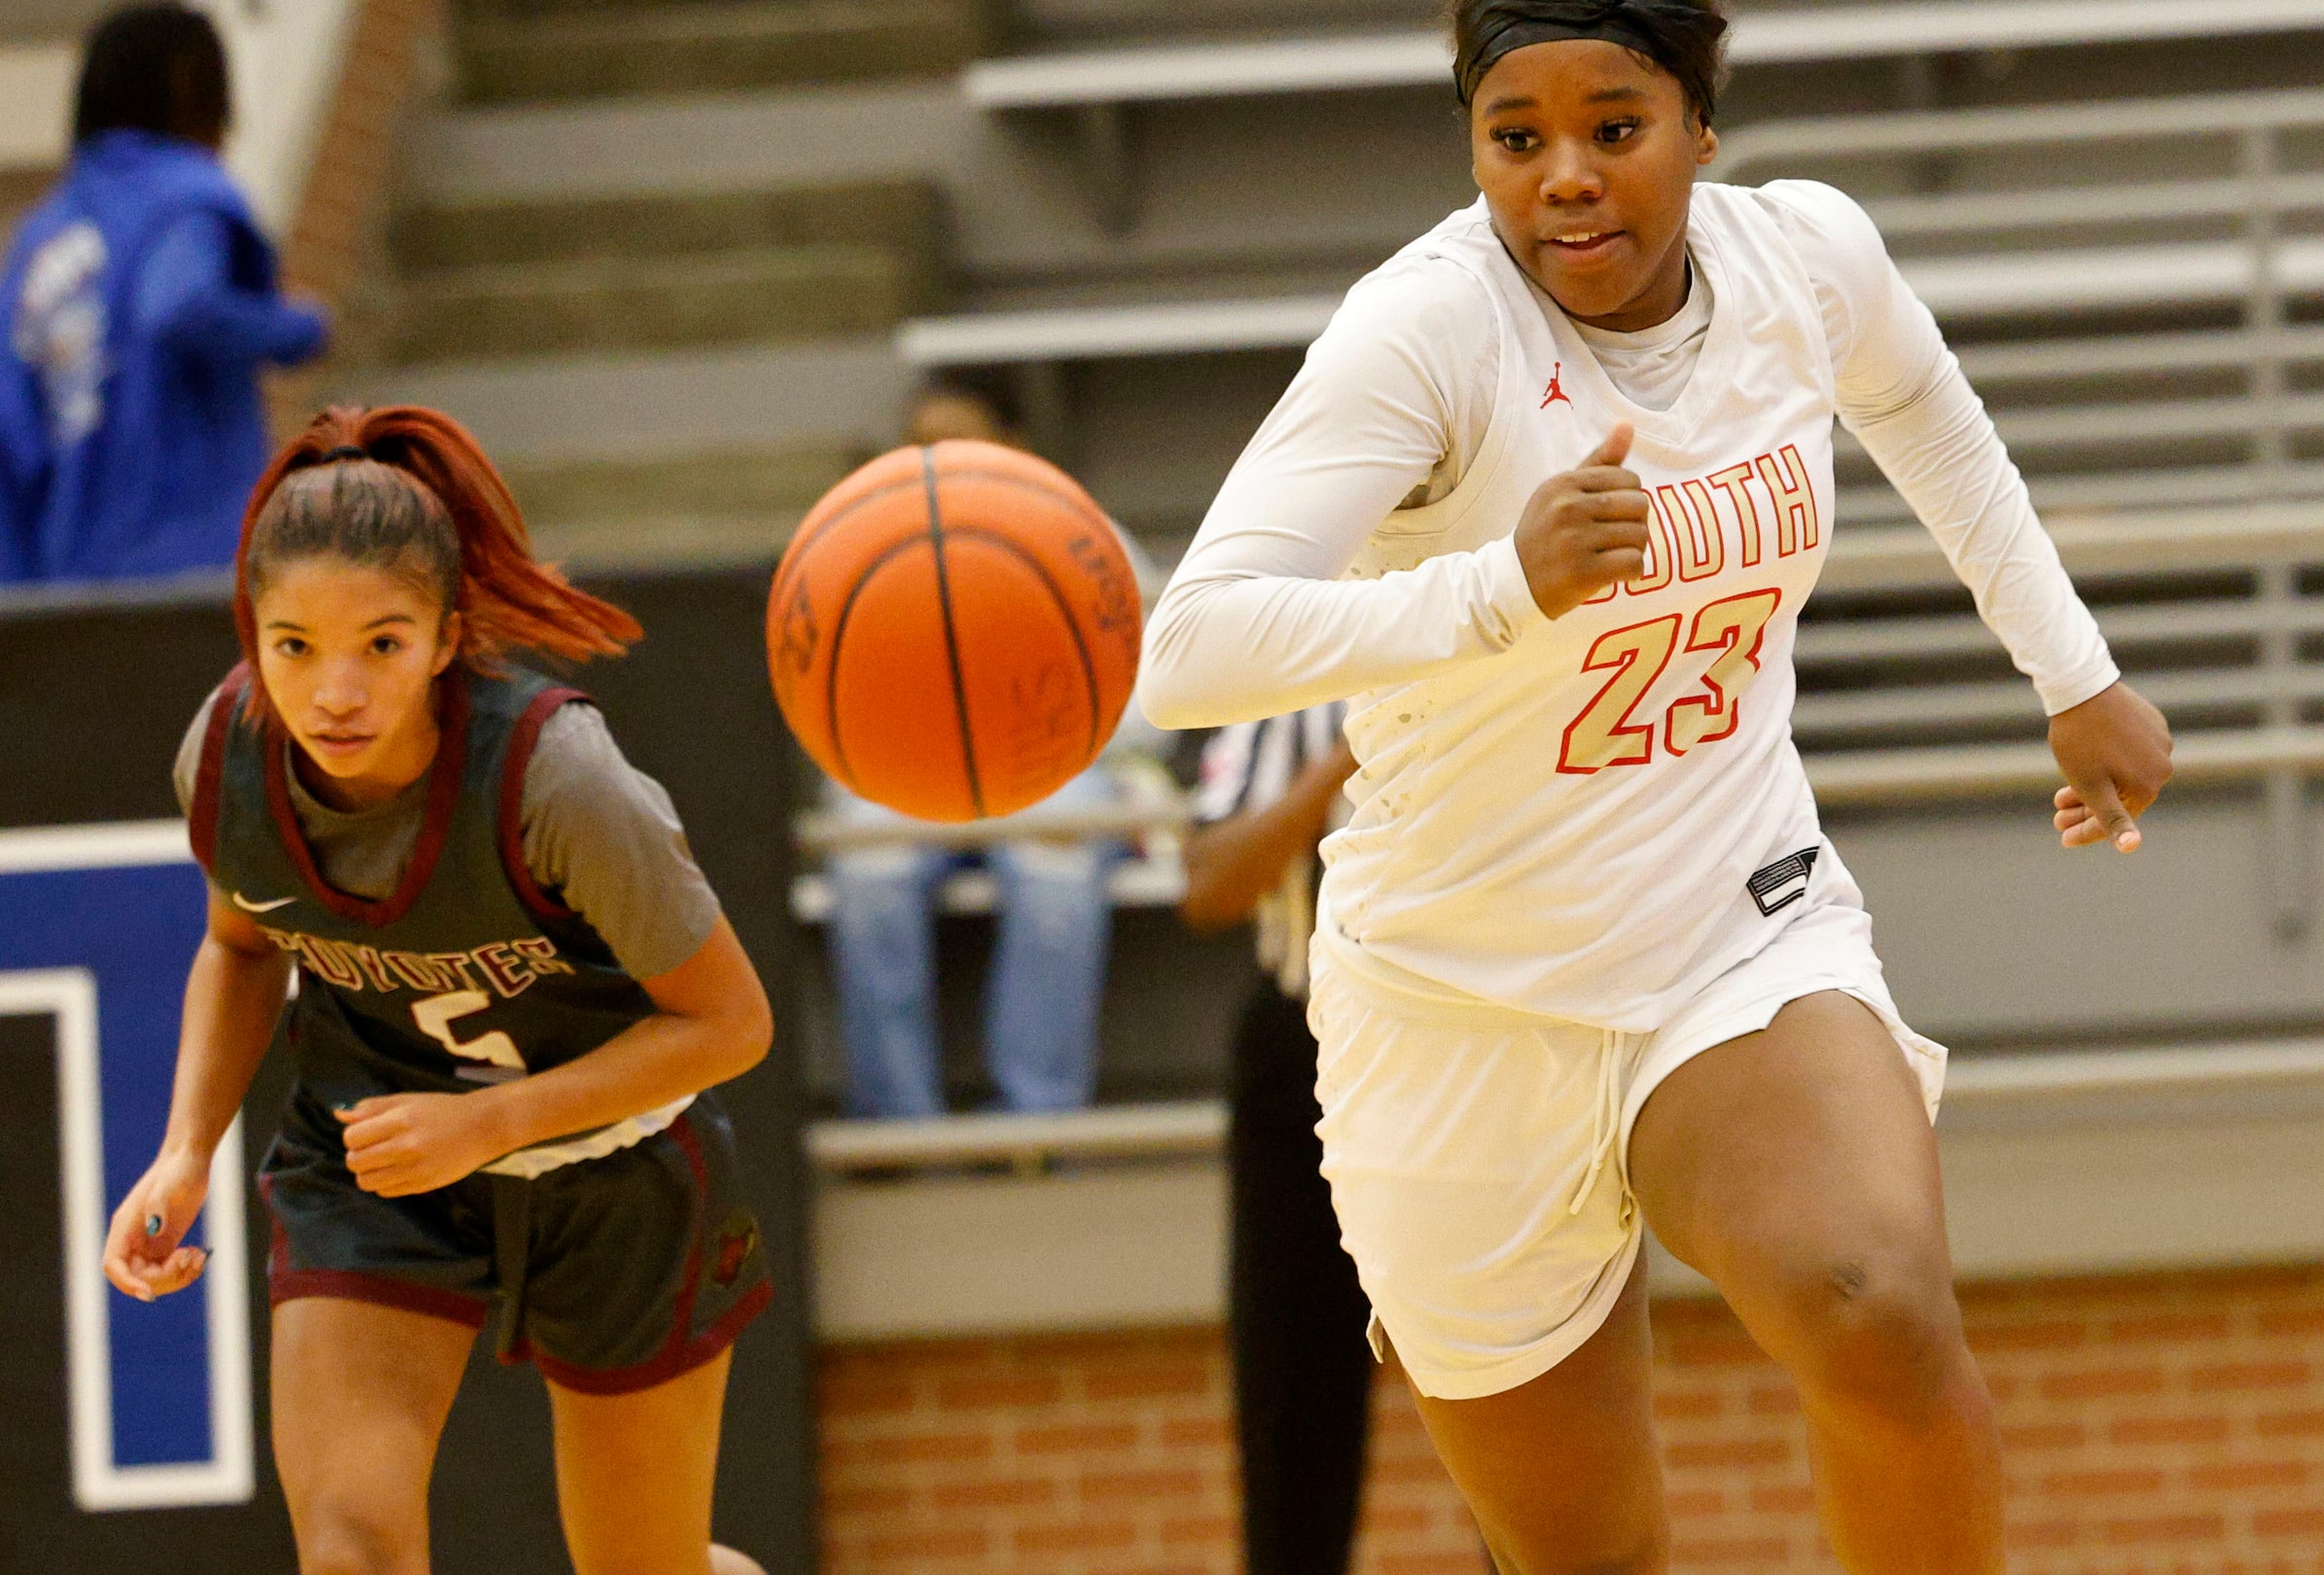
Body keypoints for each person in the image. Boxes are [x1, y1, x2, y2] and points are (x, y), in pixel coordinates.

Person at [1137, 0, 2174, 1575]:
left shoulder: (1803, 259)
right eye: (1512, 136)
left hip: (1725, 928)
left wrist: (2071, 669)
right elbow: (1190, 649)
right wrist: (1493, 583)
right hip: (1453, 1003)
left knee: (1874, 1310)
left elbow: (1920, 407)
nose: (1563, 177)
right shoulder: (1424, 332)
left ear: (1700, 124)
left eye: (1613, 130)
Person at [100, 405, 773, 1575]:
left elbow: (730, 1025)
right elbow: (244, 948)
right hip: (374, 1162)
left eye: (382, 643)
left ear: (450, 636)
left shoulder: (559, 779)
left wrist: (490, 1123)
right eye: (293, 645)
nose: (334, 693)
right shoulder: (226, 755)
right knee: (350, 1551)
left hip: (617, 1169)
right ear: (251, 634)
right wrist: (183, 1148)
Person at [821, 385, 1163, 1118]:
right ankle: (899, 1127)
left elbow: (1150, 698)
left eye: (962, 443)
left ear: (1012, 447)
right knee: (867, 868)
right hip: (909, 767)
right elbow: (829, 695)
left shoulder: (1081, 533)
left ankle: (1037, 1125)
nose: (940, 462)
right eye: (923, 447)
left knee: (1055, 866)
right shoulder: (863, 543)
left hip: (1058, 764)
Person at [2, 0, 326, 582]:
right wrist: (298, 326)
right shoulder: (184, 195)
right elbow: (180, 305)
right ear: (199, 96)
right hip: (195, 574)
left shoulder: (40, 241)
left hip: (66, 591)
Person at [1178, 706, 1373, 1575]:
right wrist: (1346, 759)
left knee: (1525, 1400)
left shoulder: (1517, 636)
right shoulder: (1295, 672)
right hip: (1307, 1054)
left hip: (1486, 1048)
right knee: (1293, 1415)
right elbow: (1210, 883)